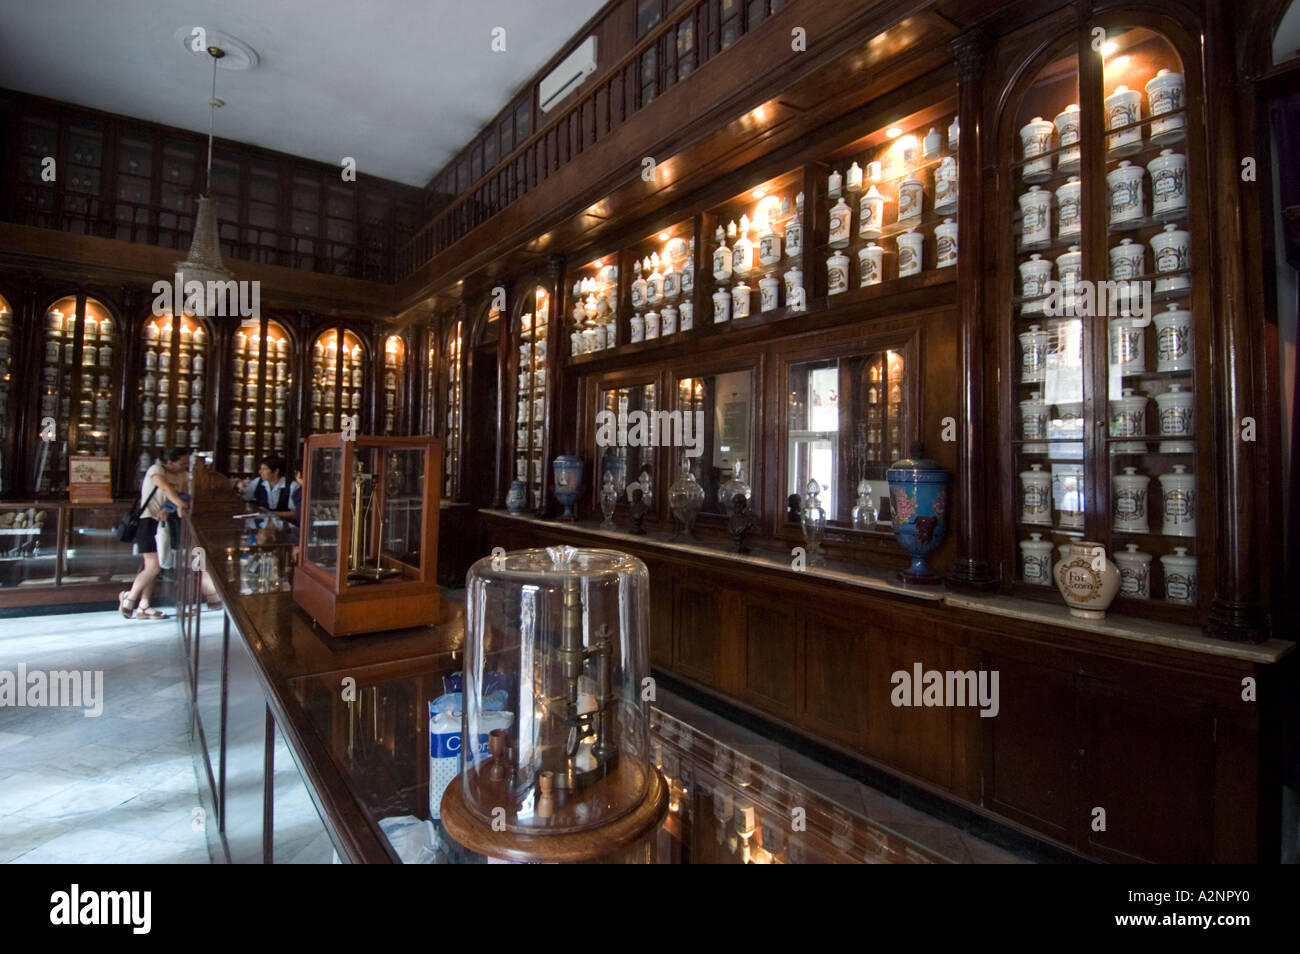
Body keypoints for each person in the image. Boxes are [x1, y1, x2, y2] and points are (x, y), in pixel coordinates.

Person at [120, 446, 207, 619]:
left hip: (164, 523)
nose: (185, 466)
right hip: (147, 521)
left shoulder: (181, 475)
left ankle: (144, 606)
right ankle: (129, 598)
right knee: (154, 566)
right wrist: (179, 504)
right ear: (169, 462)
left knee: (152, 566)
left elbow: (182, 495)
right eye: (182, 463)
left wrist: (170, 507)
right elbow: (165, 488)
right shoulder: (156, 469)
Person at [236, 455, 295, 527]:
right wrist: (241, 490)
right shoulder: (257, 482)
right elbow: (243, 499)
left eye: (264, 469)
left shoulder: (292, 486)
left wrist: (270, 513)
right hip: (262, 526)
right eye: (260, 469)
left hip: (284, 527)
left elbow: (294, 514)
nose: (260, 472)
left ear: (276, 471)